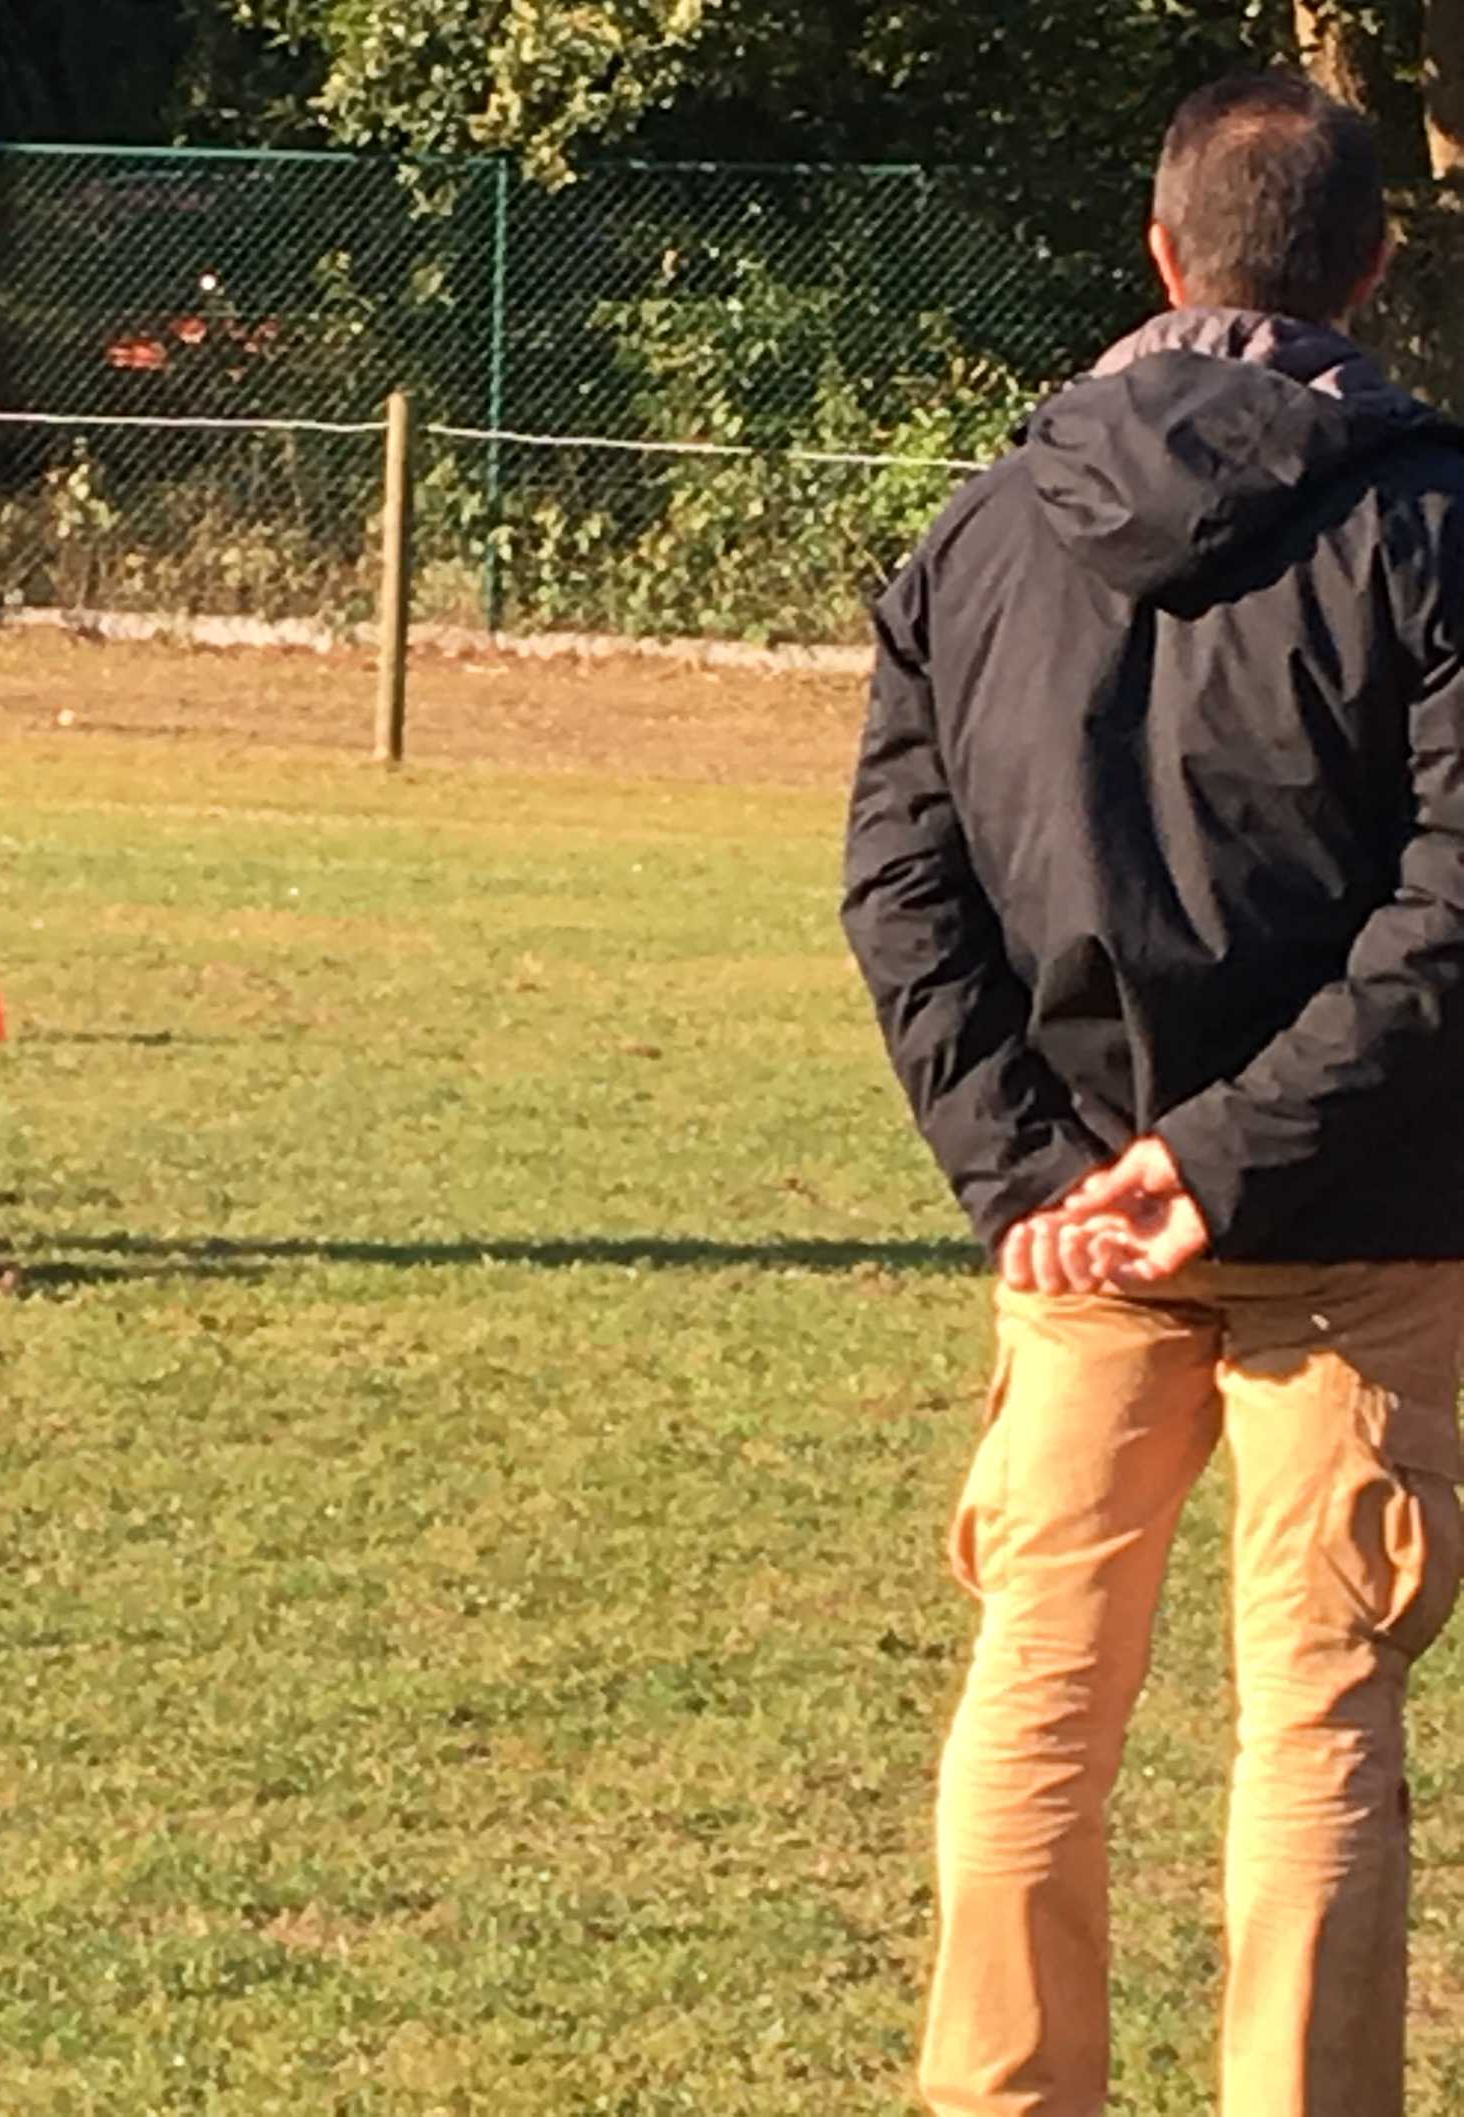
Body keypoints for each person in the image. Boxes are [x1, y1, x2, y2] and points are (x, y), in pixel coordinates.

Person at [841, 72, 1464, 2116]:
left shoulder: (977, 530)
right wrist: (1203, 1158)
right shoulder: (1430, 525)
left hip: (1086, 1223)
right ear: (1372, 264)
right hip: (1354, 1212)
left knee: (1038, 1687)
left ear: (1160, 252)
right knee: (1317, 1715)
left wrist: (1032, 1168)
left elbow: (897, 888)